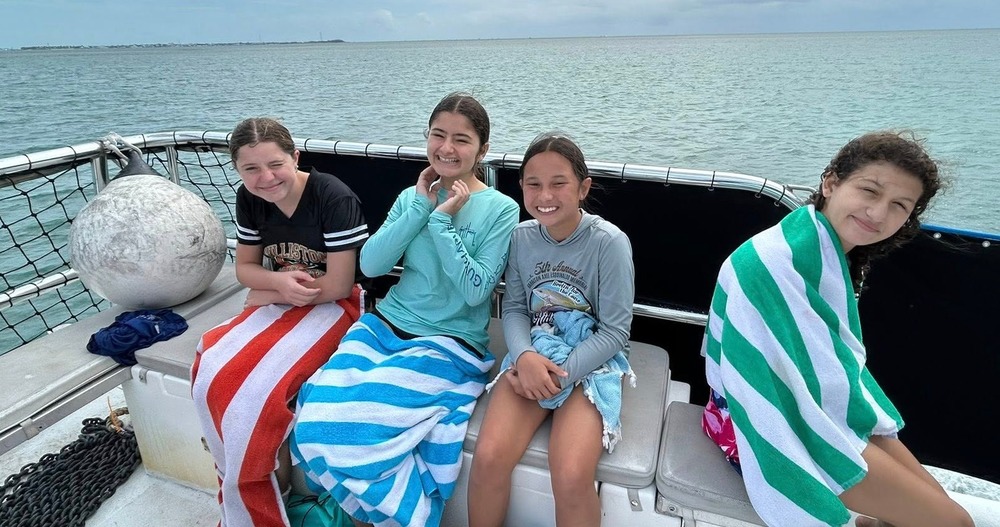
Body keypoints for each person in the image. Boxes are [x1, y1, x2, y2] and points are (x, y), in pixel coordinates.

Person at [700, 131, 982, 527]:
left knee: (943, 510)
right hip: (759, 422)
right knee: (954, 524)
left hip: (819, 410)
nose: (879, 214)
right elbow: (775, 388)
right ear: (831, 183)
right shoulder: (776, 262)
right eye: (869, 191)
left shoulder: (823, 252)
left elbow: (826, 370)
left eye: (900, 205)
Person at [289, 92, 520, 527]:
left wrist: (442, 221)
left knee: (353, 435)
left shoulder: (500, 209)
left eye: (461, 139)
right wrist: (419, 206)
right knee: (312, 424)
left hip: (450, 342)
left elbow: (476, 293)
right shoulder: (410, 197)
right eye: (438, 135)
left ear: (482, 150)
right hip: (385, 325)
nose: (447, 148)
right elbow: (371, 264)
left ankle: (408, 514)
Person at [191, 117, 368, 527]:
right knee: (210, 367)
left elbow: (341, 283)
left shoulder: (332, 197)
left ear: (296, 157)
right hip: (287, 298)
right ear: (238, 170)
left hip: (336, 306)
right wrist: (274, 286)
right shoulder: (249, 199)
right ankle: (247, 484)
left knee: (256, 392)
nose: (265, 178)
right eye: (251, 169)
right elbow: (246, 271)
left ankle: (264, 493)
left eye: (275, 164)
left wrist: (268, 291)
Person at [468, 133, 636, 527]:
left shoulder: (608, 243)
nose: (545, 195)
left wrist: (563, 376)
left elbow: (615, 331)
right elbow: (513, 307)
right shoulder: (522, 237)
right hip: (536, 349)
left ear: (583, 187)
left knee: (571, 474)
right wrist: (525, 356)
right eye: (534, 184)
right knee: (489, 458)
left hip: (589, 360)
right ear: (522, 187)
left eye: (558, 183)